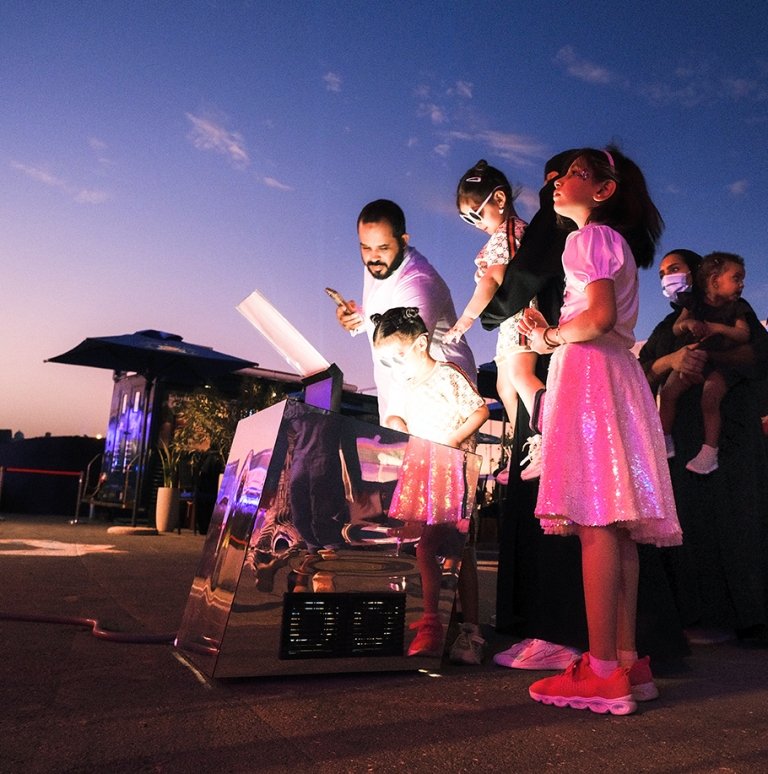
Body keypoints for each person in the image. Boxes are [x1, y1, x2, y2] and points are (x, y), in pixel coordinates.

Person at [518, 146, 682, 715]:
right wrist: (554, 331)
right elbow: (601, 317)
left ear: (605, 190)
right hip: (617, 374)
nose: (558, 182)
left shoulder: (585, 239)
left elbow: (598, 318)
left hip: (590, 375)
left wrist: (555, 338)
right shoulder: (616, 246)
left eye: (573, 175)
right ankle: (628, 661)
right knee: (618, 523)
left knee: (595, 518)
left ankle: (603, 669)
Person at [640, 249, 768, 645]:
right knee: (690, 527)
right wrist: (673, 360)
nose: (668, 277)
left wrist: (709, 355)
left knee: (737, 525)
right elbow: (644, 370)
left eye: (675, 269)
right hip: (682, 443)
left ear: (699, 274)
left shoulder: (735, 309)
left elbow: (757, 355)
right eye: (662, 272)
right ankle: (696, 615)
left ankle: (745, 618)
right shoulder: (670, 324)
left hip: (733, 439)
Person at [372, 307, 490, 665]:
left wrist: (453, 440)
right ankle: (457, 625)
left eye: (399, 356)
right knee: (448, 550)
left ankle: (438, 624)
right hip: (423, 471)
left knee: (432, 548)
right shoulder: (405, 384)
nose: (395, 366)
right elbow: (400, 419)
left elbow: (479, 410)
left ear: (422, 343)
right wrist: (395, 421)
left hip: (450, 470)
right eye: (387, 361)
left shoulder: (446, 376)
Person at [444, 160, 543, 480]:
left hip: (522, 317)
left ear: (499, 200)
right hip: (508, 322)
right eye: (467, 219)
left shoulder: (509, 231)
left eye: (477, 213)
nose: (475, 223)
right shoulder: (502, 235)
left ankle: (548, 435)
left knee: (519, 374)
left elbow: (493, 279)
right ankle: (525, 442)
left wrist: (467, 317)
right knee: (504, 384)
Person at [335, 199, 476, 420]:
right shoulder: (380, 264)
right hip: (400, 397)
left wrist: (395, 419)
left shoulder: (417, 282)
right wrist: (359, 318)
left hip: (441, 401)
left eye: (382, 247)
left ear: (403, 241)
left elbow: (409, 359)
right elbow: (387, 311)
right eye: (365, 247)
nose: (372, 257)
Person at [659, 252, 750, 475]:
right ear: (714, 280)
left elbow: (744, 335)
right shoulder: (693, 304)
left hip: (720, 364)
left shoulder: (736, 308)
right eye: (736, 278)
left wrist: (717, 328)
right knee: (669, 392)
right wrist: (688, 324)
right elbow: (676, 328)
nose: (741, 285)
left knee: (709, 399)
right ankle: (664, 439)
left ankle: (709, 452)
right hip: (694, 358)